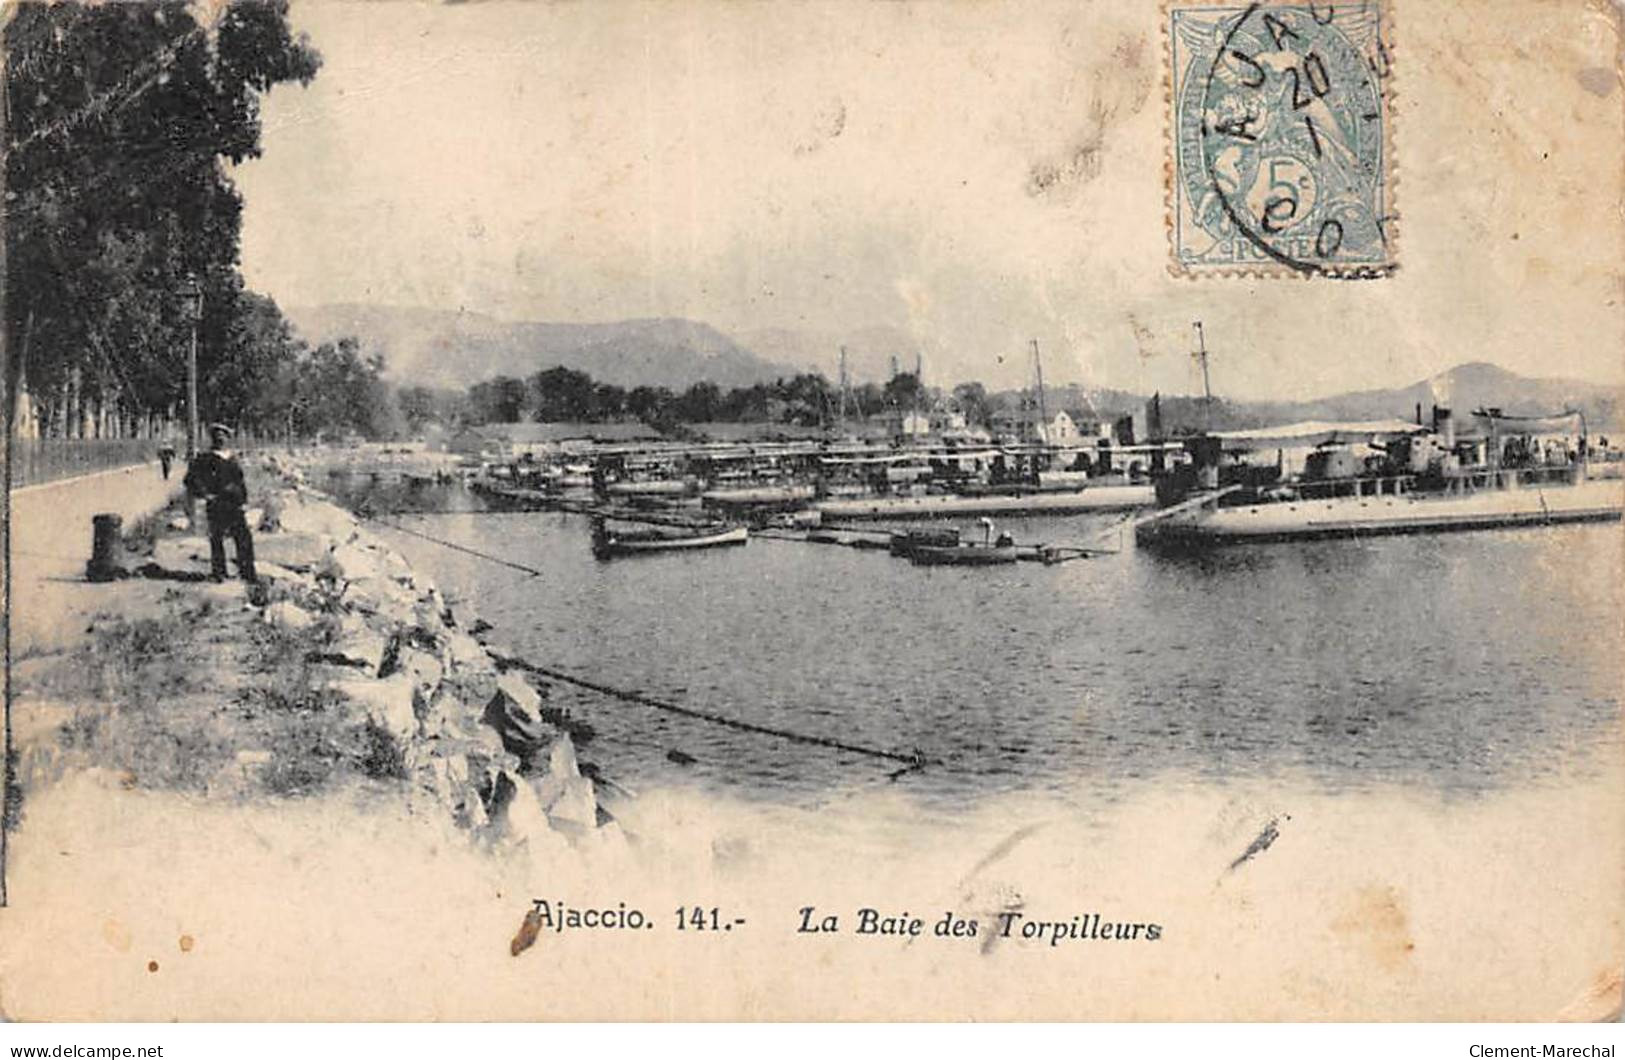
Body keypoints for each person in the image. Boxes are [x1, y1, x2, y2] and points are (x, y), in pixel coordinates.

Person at [183, 423, 257, 583]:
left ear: (228, 438)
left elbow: (240, 481)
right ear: (212, 438)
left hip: (235, 504)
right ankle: (219, 573)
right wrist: (205, 494)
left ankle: (248, 573)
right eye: (217, 435)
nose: (220, 438)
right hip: (217, 503)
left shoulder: (233, 458)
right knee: (217, 539)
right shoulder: (204, 458)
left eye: (224, 435)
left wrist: (244, 500)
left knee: (243, 538)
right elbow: (190, 479)